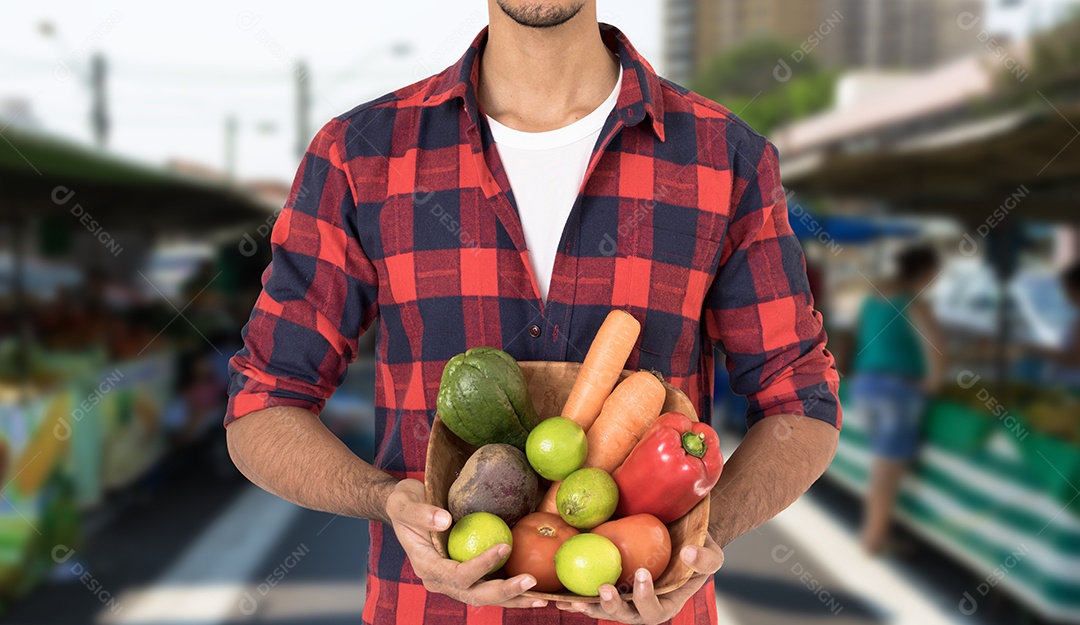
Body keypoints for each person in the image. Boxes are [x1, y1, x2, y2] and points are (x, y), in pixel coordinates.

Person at [224, 2, 842, 623]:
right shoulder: (360, 156)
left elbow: (800, 403)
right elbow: (263, 405)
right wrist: (386, 500)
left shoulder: (723, 157)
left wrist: (699, 540)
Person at [850, 244, 947, 554]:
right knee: (887, 471)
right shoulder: (915, 301)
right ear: (926, 271)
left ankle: (876, 531)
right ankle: (874, 538)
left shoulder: (874, 296)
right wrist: (933, 384)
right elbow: (936, 349)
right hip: (898, 391)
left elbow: (855, 338)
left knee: (882, 463)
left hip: (866, 385)